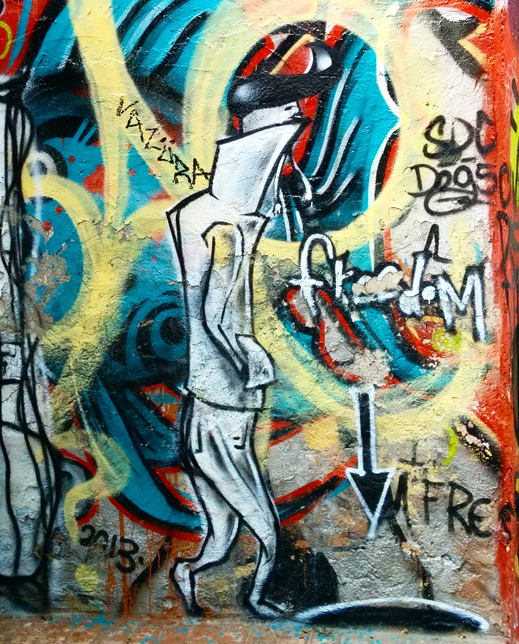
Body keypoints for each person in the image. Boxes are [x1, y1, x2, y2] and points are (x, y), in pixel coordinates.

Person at [167, 42, 339, 618]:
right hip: (224, 412)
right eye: (289, 124)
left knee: (220, 534)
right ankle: (261, 598)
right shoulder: (229, 226)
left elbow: (208, 310)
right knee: (264, 527)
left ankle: (189, 577)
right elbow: (216, 314)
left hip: (207, 408)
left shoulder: (199, 214)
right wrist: (246, 352)